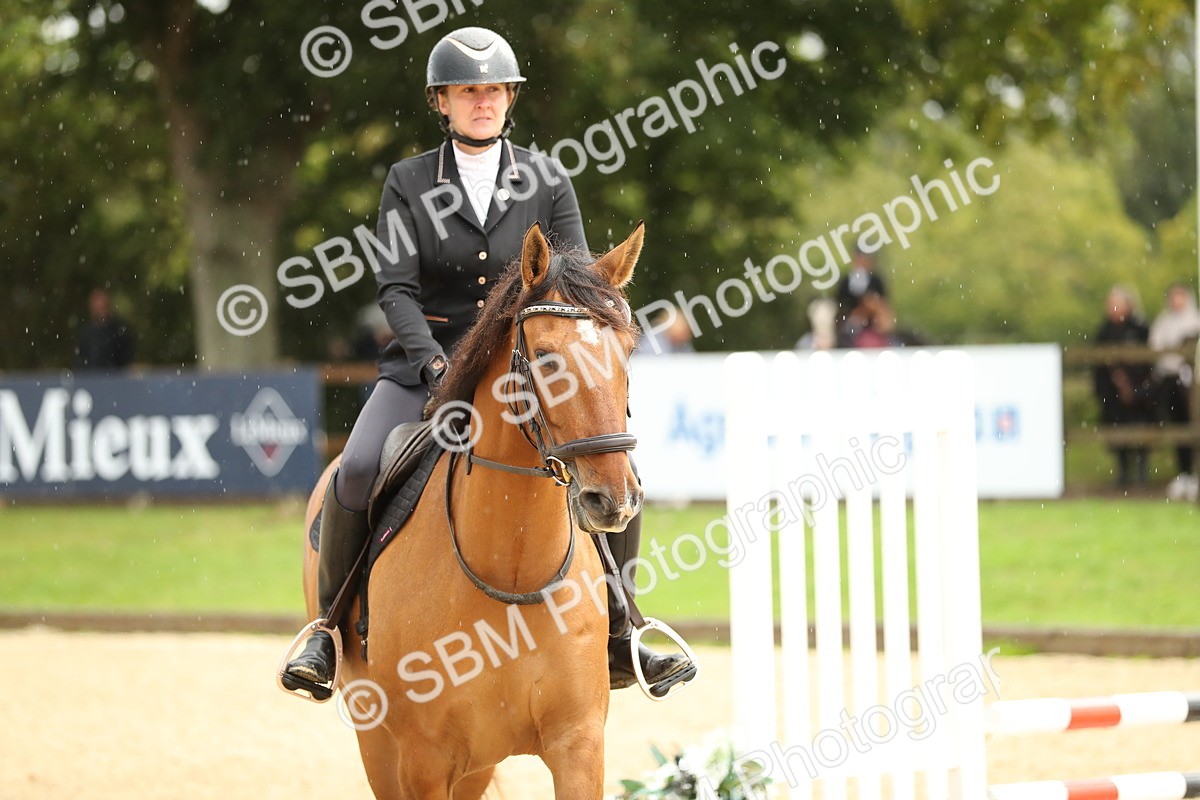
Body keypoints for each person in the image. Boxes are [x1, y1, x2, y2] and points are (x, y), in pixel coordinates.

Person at [283, 27, 693, 695]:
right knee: (356, 468)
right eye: (469, 90)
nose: (483, 101)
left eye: (495, 89)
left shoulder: (548, 177)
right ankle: (327, 632)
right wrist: (431, 364)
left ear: (510, 100)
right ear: (440, 102)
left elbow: (577, 281)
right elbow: (396, 288)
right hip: (428, 362)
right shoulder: (408, 182)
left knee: (619, 473)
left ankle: (627, 630)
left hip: (527, 365)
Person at [1092, 285, 1155, 487]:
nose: (1113, 309)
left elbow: (1149, 362)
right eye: (1111, 304)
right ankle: (1123, 473)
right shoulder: (1103, 332)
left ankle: (1142, 471)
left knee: (1141, 428)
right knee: (1116, 430)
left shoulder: (1140, 329)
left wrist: (1136, 387)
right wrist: (1111, 386)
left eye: (1117, 304)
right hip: (1112, 394)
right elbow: (1098, 364)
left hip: (1140, 392)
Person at [1149, 283, 1200, 500]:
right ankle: (1184, 473)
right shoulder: (1164, 322)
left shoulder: (1195, 320)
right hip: (1171, 381)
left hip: (1193, 382)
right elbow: (1155, 347)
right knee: (1179, 426)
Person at [74, 288, 133, 371]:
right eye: (97, 307)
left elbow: (125, 362)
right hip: (90, 379)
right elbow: (79, 361)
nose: (100, 311)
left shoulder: (118, 332)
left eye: (102, 307)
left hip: (113, 379)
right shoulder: (85, 333)